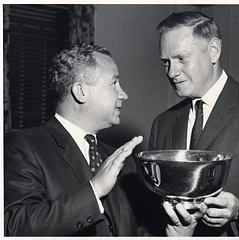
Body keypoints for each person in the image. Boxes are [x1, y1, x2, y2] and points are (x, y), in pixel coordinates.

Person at [149, 11, 239, 236]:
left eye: (181, 58)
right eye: (166, 62)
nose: (172, 72)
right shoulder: (163, 123)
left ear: (213, 51)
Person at [4, 43, 144, 236]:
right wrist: (95, 189)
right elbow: (14, 227)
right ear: (81, 91)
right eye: (114, 84)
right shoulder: (22, 146)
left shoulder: (121, 160)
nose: (124, 94)